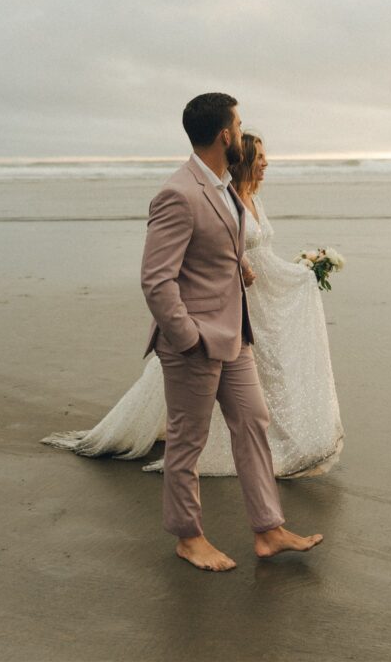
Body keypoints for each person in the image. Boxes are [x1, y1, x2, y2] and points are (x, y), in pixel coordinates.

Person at [45, 93, 324, 572]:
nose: (241, 132)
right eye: (237, 125)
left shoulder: (222, 188)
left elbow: (212, 248)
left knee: (254, 421)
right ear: (223, 134)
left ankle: (267, 529)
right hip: (194, 343)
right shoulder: (178, 192)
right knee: (187, 440)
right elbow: (157, 279)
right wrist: (188, 338)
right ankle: (188, 536)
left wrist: (239, 269)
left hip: (235, 337)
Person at [42, 132, 344, 479]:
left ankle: (279, 441)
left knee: (267, 374)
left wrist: (302, 273)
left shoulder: (255, 202)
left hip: (261, 302)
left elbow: (263, 256)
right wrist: (240, 269)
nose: (265, 162)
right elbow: (208, 254)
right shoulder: (223, 200)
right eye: (258, 156)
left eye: (264, 156)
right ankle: (252, 447)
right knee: (246, 378)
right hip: (231, 304)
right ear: (242, 158)